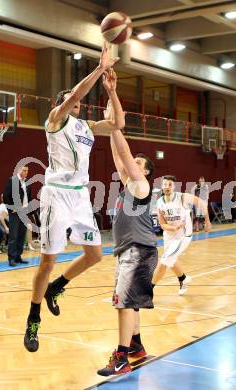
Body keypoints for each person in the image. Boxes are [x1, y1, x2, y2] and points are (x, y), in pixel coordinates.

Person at [24, 43, 124, 353]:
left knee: (95, 255)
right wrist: (98, 68)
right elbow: (75, 96)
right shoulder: (54, 121)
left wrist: (111, 91)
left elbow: (118, 124)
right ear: (60, 104)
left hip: (80, 197)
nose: (77, 105)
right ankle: (33, 317)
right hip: (56, 196)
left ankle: (56, 288)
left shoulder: (88, 128)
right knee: (47, 261)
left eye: (78, 104)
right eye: (72, 102)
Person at [97, 69, 157, 376]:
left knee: (122, 302)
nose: (132, 164)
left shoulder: (142, 187)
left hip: (139, 250)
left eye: (138, 164)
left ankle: (121, 358)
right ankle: (136, 345)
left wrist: (113, 104)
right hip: (130, 250)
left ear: (145, 172)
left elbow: (123, 150)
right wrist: (110, 128)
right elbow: (119, 156)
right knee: (130, 301)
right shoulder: (129, 186)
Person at [152, 176, 212, 294]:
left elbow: (201, 203)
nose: (167, 187)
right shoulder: (159, 202)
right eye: (165, 184)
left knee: (164, 261)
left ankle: (148, 289)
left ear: (174, 186)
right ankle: (183, 279)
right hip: (169, 235)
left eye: (170, 184)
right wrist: (173, 227)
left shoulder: (182, 197)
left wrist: (207, 221)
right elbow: (163, 224)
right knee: (171, 260)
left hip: (183, 236)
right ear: (162, 186)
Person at [3, 165, 32, 267]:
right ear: (19, 171)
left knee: (21, 236)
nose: (26, 172)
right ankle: (11, 258)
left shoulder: (27, 182)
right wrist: (11, 209)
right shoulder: (12, 180)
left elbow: (29, 197)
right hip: (15, 213)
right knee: (13, 236)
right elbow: (6, 196)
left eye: (27, 170)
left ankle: (18, 256)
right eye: (24, 170)